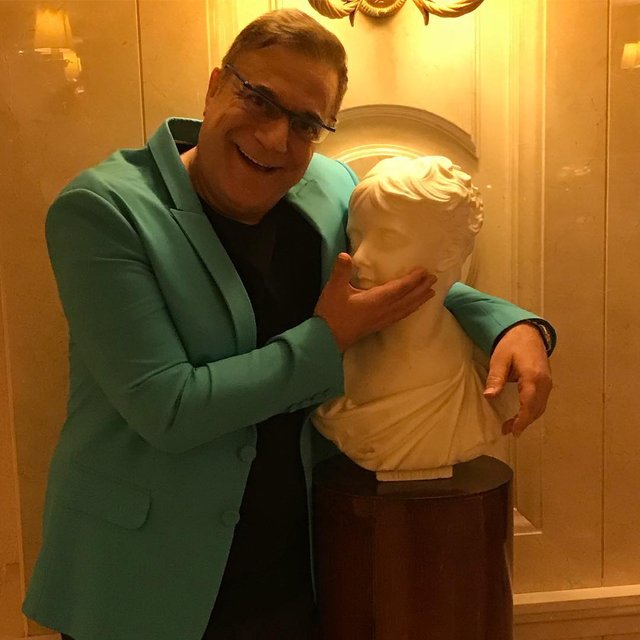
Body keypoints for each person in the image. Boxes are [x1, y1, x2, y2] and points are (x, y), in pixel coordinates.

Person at [23, 8, 554, 640]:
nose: (276, 138)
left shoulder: (328, 185)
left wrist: (509, 324)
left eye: (304, 123)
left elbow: (401, 281)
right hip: (145, 576)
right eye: (258, 98)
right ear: (216, 85)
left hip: (299, 563)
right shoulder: (103, 211)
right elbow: (168, 406)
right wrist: (326, 340)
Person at [314, 155, 519, 480]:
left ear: (448, 251)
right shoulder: (331, 366)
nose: (357, 257)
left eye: (388, 239)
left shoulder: (483, 373)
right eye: (355, 238)